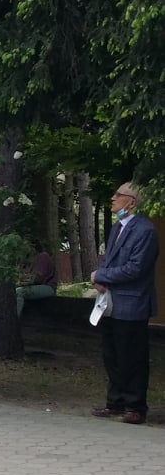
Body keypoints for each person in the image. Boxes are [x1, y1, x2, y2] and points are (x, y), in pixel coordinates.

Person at [90, 182, 158, 425]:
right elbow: (110, 260)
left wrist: (102, 276)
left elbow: (136, 268)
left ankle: (135, 407)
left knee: (132, 356)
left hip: (132, 304)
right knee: (112, 355)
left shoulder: (145, 231)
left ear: (132, 202)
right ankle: (115, 402)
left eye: (119, 195)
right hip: (110, 302)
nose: (113, 198)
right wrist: (101, 280)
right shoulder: (117, 227)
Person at [14, 248, 58, 316]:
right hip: (35, 287)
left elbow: (37, 279)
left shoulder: (43, 257)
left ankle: (14, 318)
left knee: (18, 292)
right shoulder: (29, 262)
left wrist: (20, 283)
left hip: (48, 287)